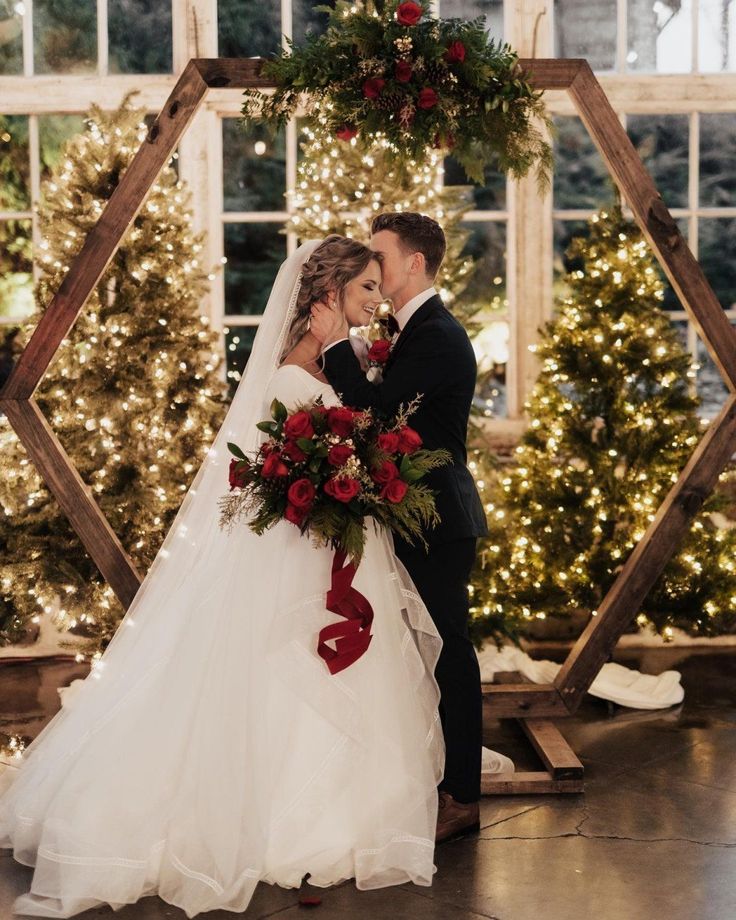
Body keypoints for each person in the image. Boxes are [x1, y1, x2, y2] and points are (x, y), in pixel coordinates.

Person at [0, 236, 446, 918]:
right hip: (297, 554)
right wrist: (344, 483)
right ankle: (281, 820)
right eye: (362, 291)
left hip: (329, 547)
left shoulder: (334, 361)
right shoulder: (294, 373)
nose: (375, 301)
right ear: (326, 296)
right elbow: (296, 464)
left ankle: (334, 809)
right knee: (282, 669)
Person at [310, 212, 489, 843]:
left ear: (413, 262)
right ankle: (431, 777)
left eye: (380, 256)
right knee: (422, 655)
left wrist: (333, 347)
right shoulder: (413, 332)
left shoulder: (437, 334)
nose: (373, 266)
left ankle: (463, 796)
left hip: (439, 523)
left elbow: (374, 412)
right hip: (417, 519)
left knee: (449, 655)